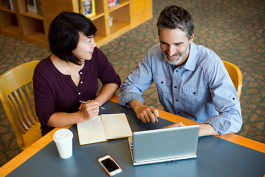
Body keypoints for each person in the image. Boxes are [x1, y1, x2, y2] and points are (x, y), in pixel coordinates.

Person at [118, 5, 242, 136]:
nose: (170, 52)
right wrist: (138, 106)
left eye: (178, 44)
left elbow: (233, 117)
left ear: (191, 38)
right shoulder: (154, 54)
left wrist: (191, 131)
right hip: (170, 127)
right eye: (164, 43)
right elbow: (130, 86)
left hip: (205, 132)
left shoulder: (210, 64)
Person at [33, 12, 121, 136]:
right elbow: (47, 117)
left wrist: (96, 104)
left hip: (91, 123)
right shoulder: (43, 72)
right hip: (60, 132)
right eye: (88, 41)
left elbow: (112, 81)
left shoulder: (94, 54)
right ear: (67, 45)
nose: (94, 45)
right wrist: (81, 116)